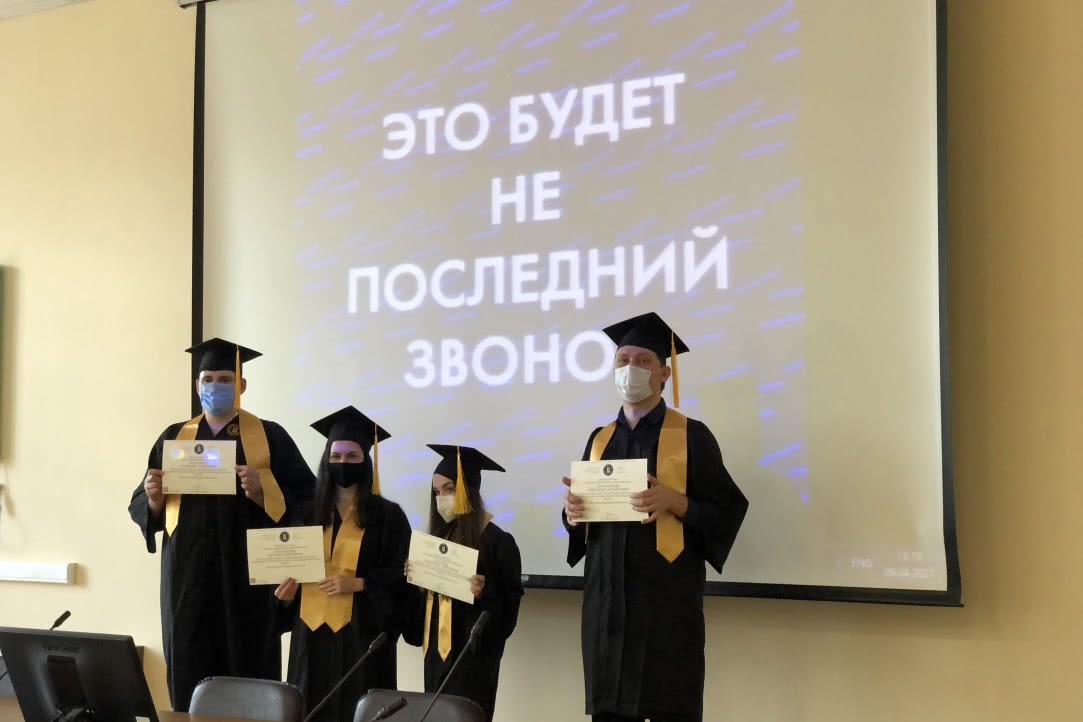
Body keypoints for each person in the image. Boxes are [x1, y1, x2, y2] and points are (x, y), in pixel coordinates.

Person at [562, 312, 749, 722]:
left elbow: (727, 511)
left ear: (664, 373)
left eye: (643, 360)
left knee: (670, 702)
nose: (630, 368)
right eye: (622, 360)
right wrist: (573, 514)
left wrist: (676, 502)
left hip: (666, 606)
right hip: (607, 606)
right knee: (610, 710)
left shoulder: (692, 436)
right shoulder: (600, 439)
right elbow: (586, 523)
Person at [128, 338, 316, 711]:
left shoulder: (270, 436)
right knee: (189, 672)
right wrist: (153, 498)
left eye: (225, 379)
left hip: (248, 582)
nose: (216, 386)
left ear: (241, 384)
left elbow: (310, 502)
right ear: (197, 385)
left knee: (248, 672)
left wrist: (265, 491)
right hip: (188, 581)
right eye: (208, 379)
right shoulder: (174, 437)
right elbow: (142, 504)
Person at [274, 406, 410, 722]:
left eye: (352, 456)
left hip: (362, 636)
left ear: (366, 461)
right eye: (335, 456)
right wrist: (284, 597)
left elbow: (404, 578)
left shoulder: (388, 517)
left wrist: (362, 583)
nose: (343, 463)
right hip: (310, 638)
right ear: (326, 460)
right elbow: (287, 568)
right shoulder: (305, 514)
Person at [402, 445, 524, 722]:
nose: (441, 498)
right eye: (436, 492)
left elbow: (508, 612)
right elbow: (419, 615)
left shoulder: (498, 542)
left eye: (449, 489)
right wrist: (415, 582)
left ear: (468, 491)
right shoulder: (435, 542)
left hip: (472, 660)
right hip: (435, 655)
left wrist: (485, 592)